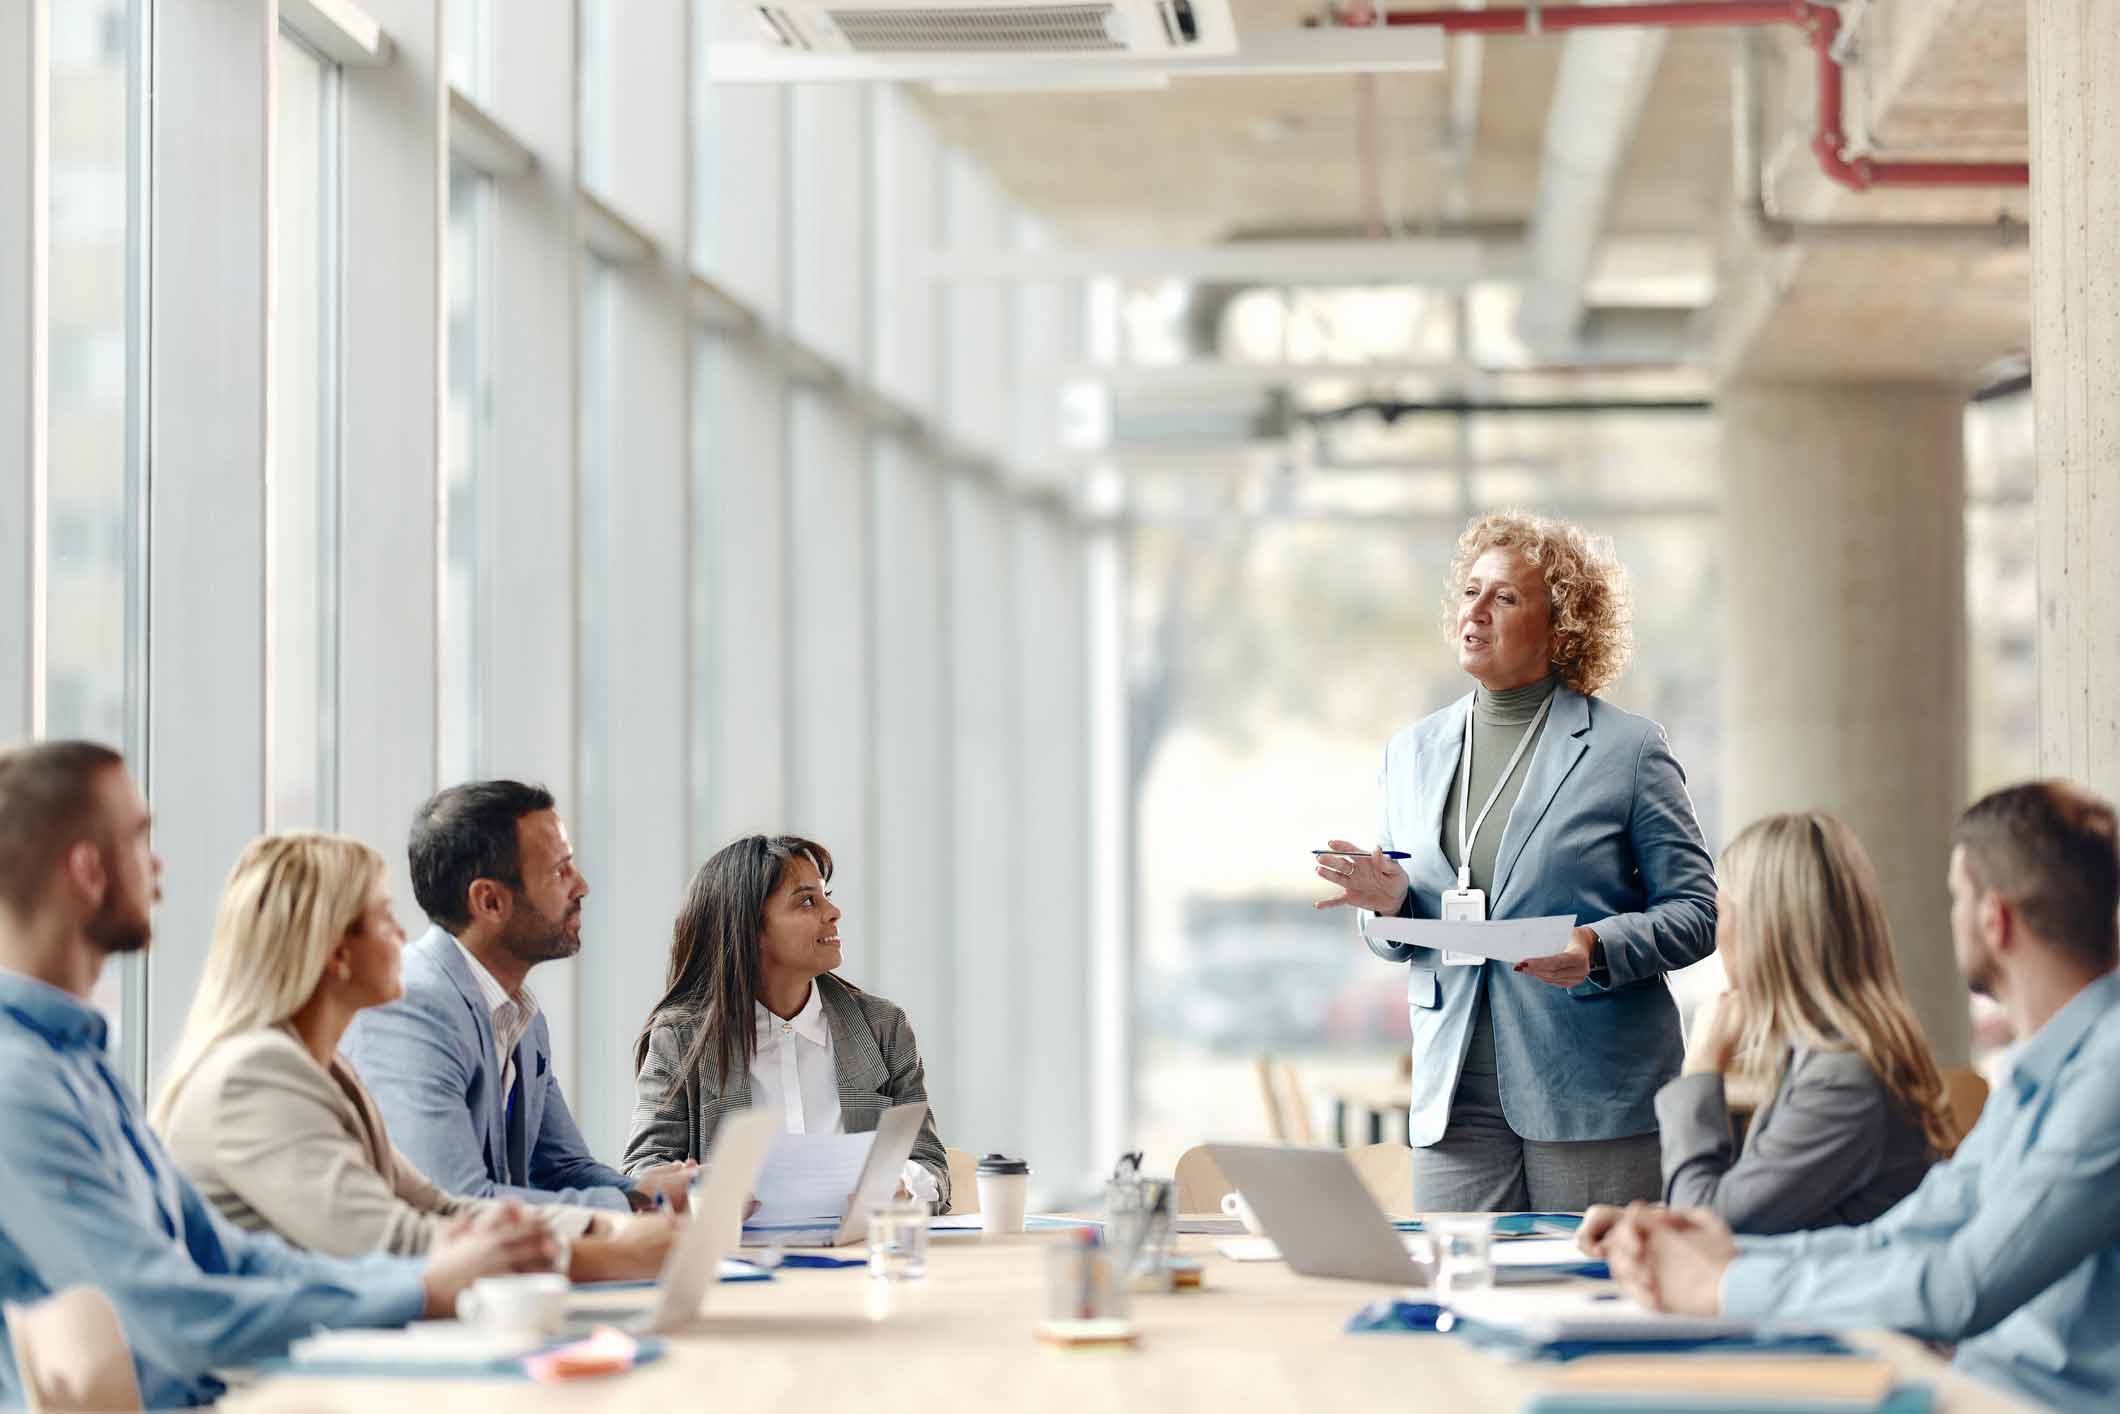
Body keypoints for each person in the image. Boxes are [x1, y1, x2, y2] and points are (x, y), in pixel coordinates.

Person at [0, 742, 557, 1408]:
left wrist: (427, 1281)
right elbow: (174, 1317)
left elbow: (229, 1256)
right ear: (88, 871)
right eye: (140, 837)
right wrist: (425, 1287)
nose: (156, 863)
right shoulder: (20, 1084)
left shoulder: (79, 1061)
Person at [1590, 781, 2120, 1412]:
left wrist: (1726, 1282)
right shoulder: (2044, 1074)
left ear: (1992, 918)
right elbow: (1906, 1234)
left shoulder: (2106, 1077)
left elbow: (1960, 1288)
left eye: (1955, 895)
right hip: (1969, 1386)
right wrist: (1704, 1247)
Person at [1314, 511, 1716, 1211]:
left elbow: (1697, 913)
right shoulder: (1410, 753)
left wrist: (1596, 946)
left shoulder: (1629, 751)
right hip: (1452, 1092)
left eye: (1504, 597)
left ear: (1562, 628)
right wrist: (1387, 907)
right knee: (1459, 1301)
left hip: (1591, 1091)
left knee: (1590, 1297)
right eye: (1470, 591)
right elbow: (1396, 928)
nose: (1474, 610)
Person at [153, 830, 677, 1279]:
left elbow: (438, 1206)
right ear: (337, 952)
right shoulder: (254, 1078)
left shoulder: (326, 1071)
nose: (404, 937)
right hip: (265, 1383)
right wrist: (604, 1256)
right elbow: (391, 1240)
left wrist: (602, 1225)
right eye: (385, 919)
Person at [342, 781, 694, 1215]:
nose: (581, 886)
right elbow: (455, 1199)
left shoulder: (521, 1017)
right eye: (560, 871)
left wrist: (672, 1191)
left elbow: (565, 1169)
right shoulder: (413, 1008)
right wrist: (635, 1199)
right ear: (489, 900)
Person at [1647, 812, 1946, 1233]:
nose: (1717, 933)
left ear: (1762, 930)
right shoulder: (1825, 1057)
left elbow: (1702, 1225)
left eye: (1722, 911)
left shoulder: (1844, 1081)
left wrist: (1701, 1065)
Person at [624, 835, 950, 1209]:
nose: (834, 912)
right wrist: (701, 1188)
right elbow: (642, 1169)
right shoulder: (680, 1038)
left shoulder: (883, 1027)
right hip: (738, 1260)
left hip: (862, 1258)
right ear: (751, 929)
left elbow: (930, 1162)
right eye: (808, 901)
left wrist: (904, 1184)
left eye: (827, 895)